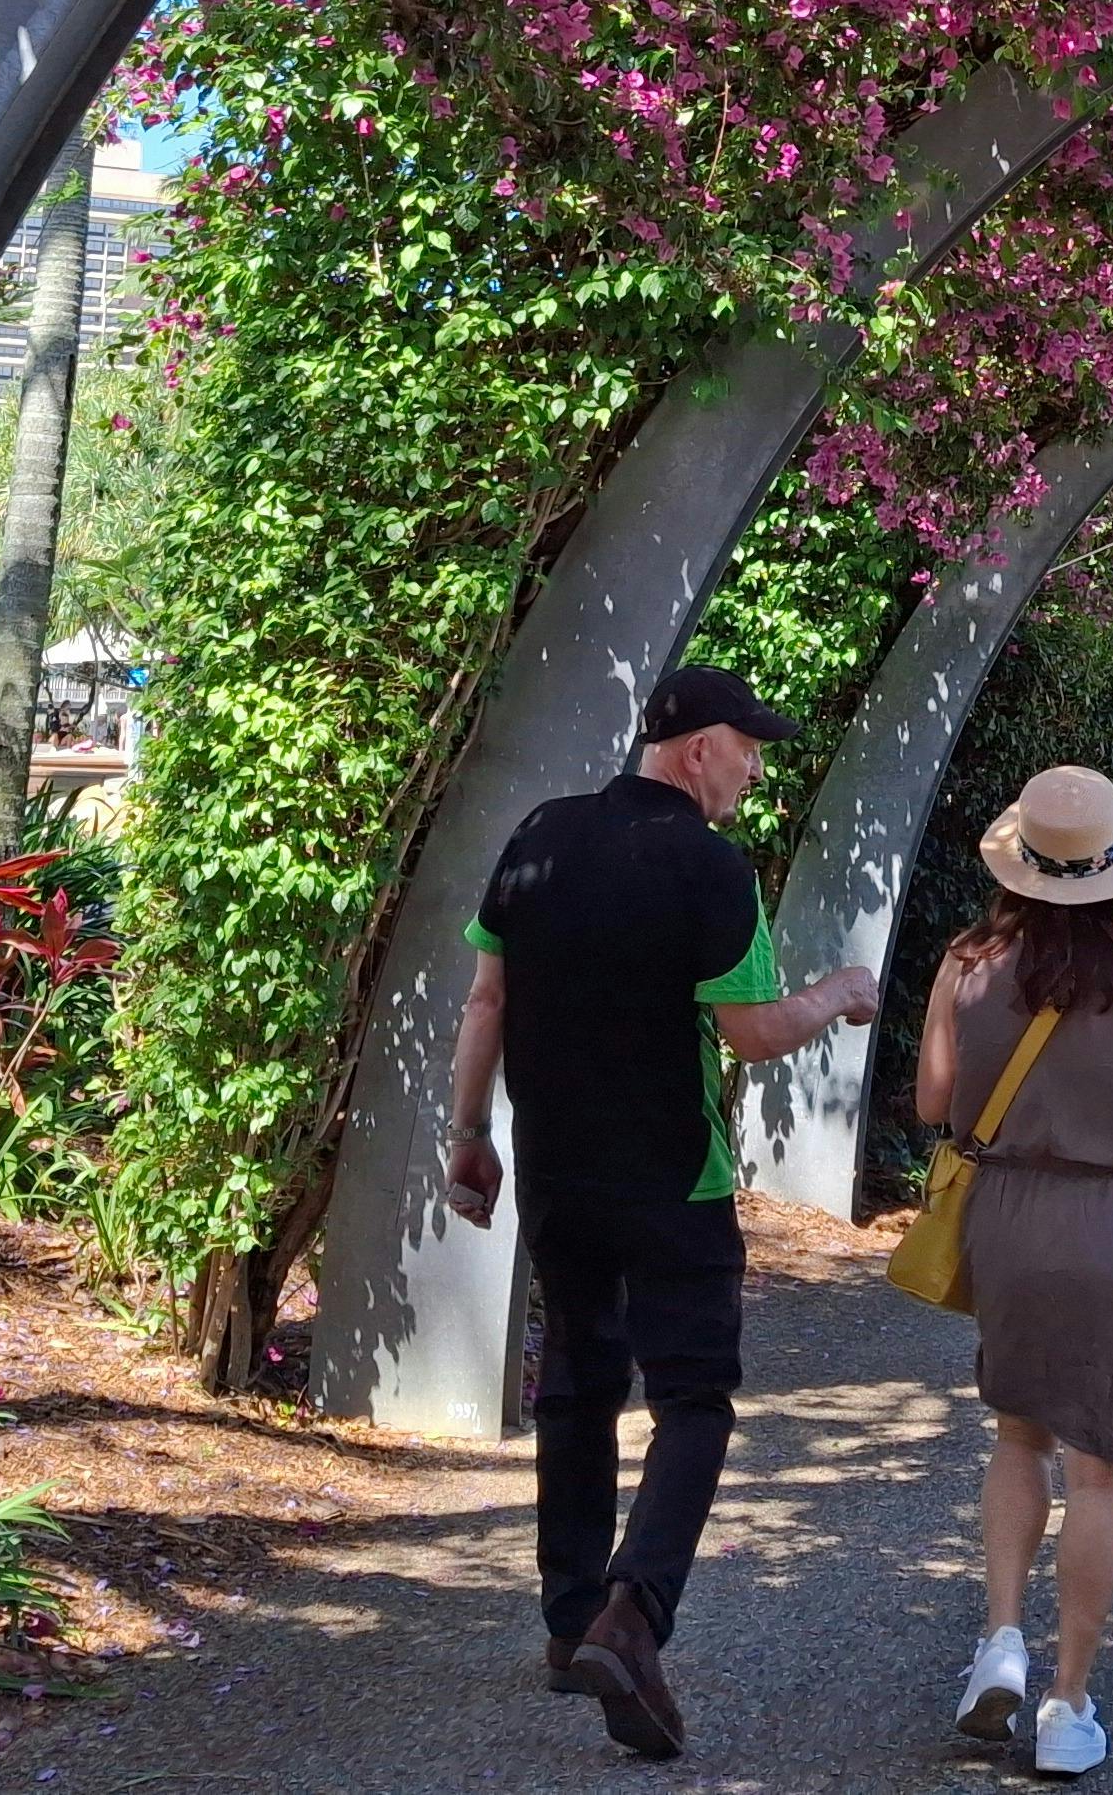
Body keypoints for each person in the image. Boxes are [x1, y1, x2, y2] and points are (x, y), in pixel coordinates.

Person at [443, 664, 881, 1759]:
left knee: (577, 1386)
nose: (755, 770)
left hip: (556, 1172)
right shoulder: (711, 868)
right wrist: (839, 991)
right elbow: (753, 1033)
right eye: (749, 748)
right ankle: (633, 1618)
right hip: (673, 1179)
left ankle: (569, 1623)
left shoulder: (541, 835)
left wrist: (468, 1135)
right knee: (693, 1398)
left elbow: (487, 999)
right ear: (697, 750)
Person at [912, 765, 1113, 1781]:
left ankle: (1000, 1637)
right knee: (1098, 1468)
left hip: (1009, 1224)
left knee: (1017, 1437)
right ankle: (1067, 1703)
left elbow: (933, 1103)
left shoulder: (967, 963)